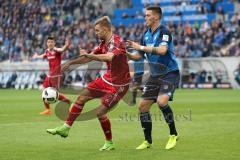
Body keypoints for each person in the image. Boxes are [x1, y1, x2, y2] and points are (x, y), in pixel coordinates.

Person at [46, 16, 131, 151]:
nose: (96, 33)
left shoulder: (117, 42)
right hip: (107, 78)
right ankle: (66, 128)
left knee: (100, 112)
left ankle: (109, 142)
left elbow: (109, 57)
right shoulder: (103, 43)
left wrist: (90, 56)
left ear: (106, 29)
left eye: (97, 31)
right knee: (81, 98)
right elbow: (88, 57)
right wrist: (70, 63)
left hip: (119, 85)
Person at [127, 6, 180, 150]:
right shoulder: (145, 34)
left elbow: (162, 51)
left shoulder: (164, 32)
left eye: (147, 15)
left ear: (155, 17)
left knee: (161, 101)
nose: (145, 17)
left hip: (170, 73)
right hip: (155, 75)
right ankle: (147, 141)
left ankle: (173, 134)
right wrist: (126, 54)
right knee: (143, 106)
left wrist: (141, 47)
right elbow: (139, 56)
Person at [32, 37, 71, 115]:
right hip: (49, 75)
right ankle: (48, 110)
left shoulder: (57, 51)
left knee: (55, 93)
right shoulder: (47, 51)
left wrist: (66, 46)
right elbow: (43, 55)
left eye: (51, 42)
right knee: (44, 90)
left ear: (54, 43)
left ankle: (68, 102)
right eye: (48, 42)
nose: (50, 43)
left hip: (56, 76)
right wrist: (37, 56)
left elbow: (62, 50)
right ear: (47, 43)